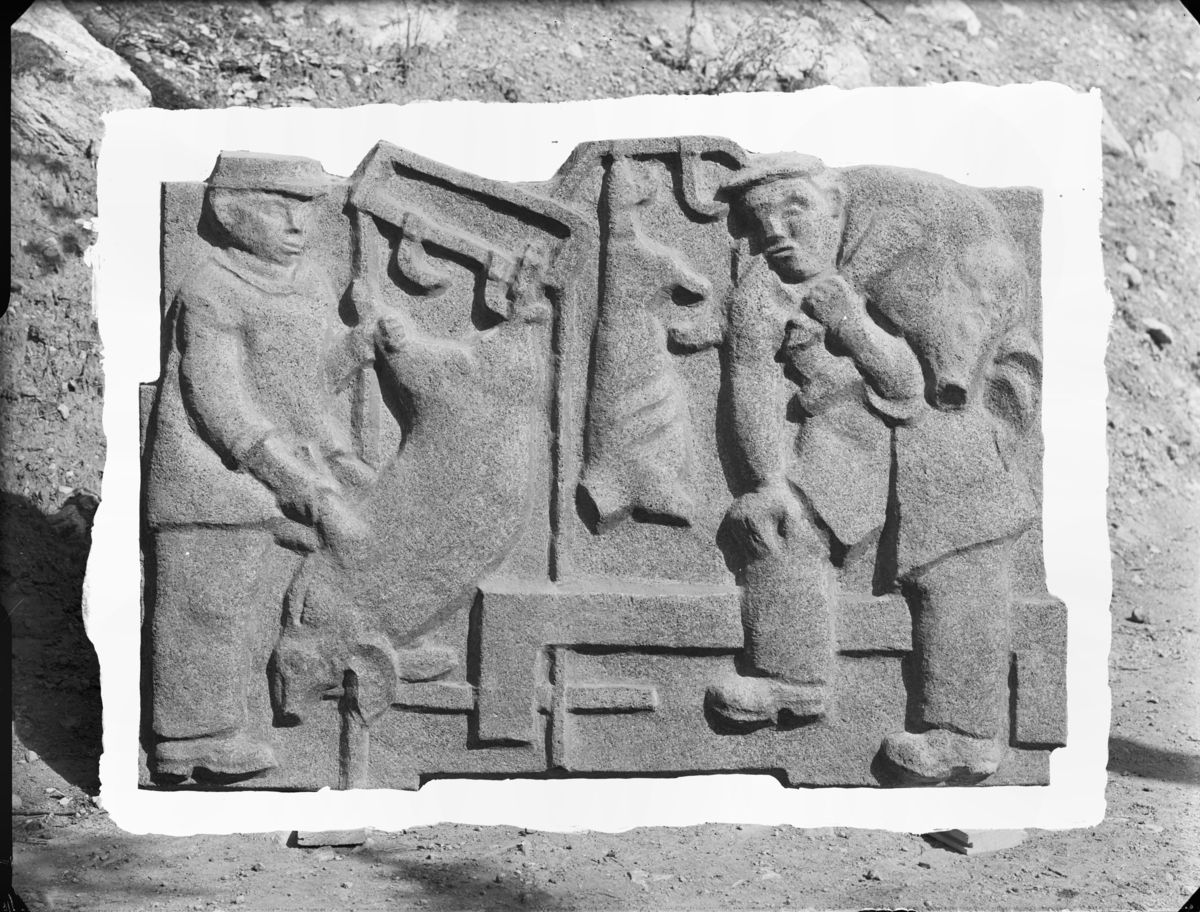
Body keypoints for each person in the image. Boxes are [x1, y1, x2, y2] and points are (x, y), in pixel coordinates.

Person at [711, 152, 1042, 784]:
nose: (775, 231)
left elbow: (914, 383)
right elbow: (747, 381)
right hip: (850, 435)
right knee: (778, 525)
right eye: (758, 218)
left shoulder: (908, 254)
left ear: (835, 206)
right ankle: (791, 679)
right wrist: (767, 481)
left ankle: (965, 735)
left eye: (794, 210)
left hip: (945, 431)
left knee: (959, 552)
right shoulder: (762, 286)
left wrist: (846, 317)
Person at [145, 152, 375, 778]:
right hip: (212, 479)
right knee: (207, 609)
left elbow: (307, 384)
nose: (297, 224)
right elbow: (217, 401)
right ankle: (190, 740)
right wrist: (292, 480)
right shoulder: (211, 287)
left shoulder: (313, 283)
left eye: (306, 208)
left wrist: (359, 348)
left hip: (280, 471)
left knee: (257, 604)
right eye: (278, 207)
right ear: (228, 211)